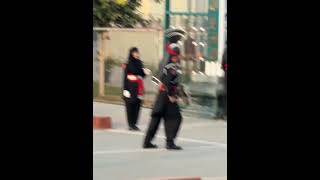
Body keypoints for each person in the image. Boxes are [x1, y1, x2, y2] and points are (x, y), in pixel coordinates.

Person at [143, 44, 184, 150]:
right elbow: (169, 82)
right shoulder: (172, 67)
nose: (179, 57)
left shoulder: (165, 65)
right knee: (175, 118)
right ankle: (170, 143)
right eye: (178, 55)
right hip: (168, 97)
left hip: (161, 96)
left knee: (156, 118)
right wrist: (172, 95)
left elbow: (156, 80)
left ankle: (147, 141)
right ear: (175, 56)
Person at [122, 47, 151, 131]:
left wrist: (145, 73)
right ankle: (130, 124)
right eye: (135, 52)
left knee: (138, 105)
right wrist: (125, 89)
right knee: (130, 105)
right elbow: (125, 77)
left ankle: (135, 124)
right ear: (131, 54)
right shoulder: (127, 64)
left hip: (139, 86)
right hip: (130, 86)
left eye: (137, 52)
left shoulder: (140, 63)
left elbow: (141, 75)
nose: (136, 54)